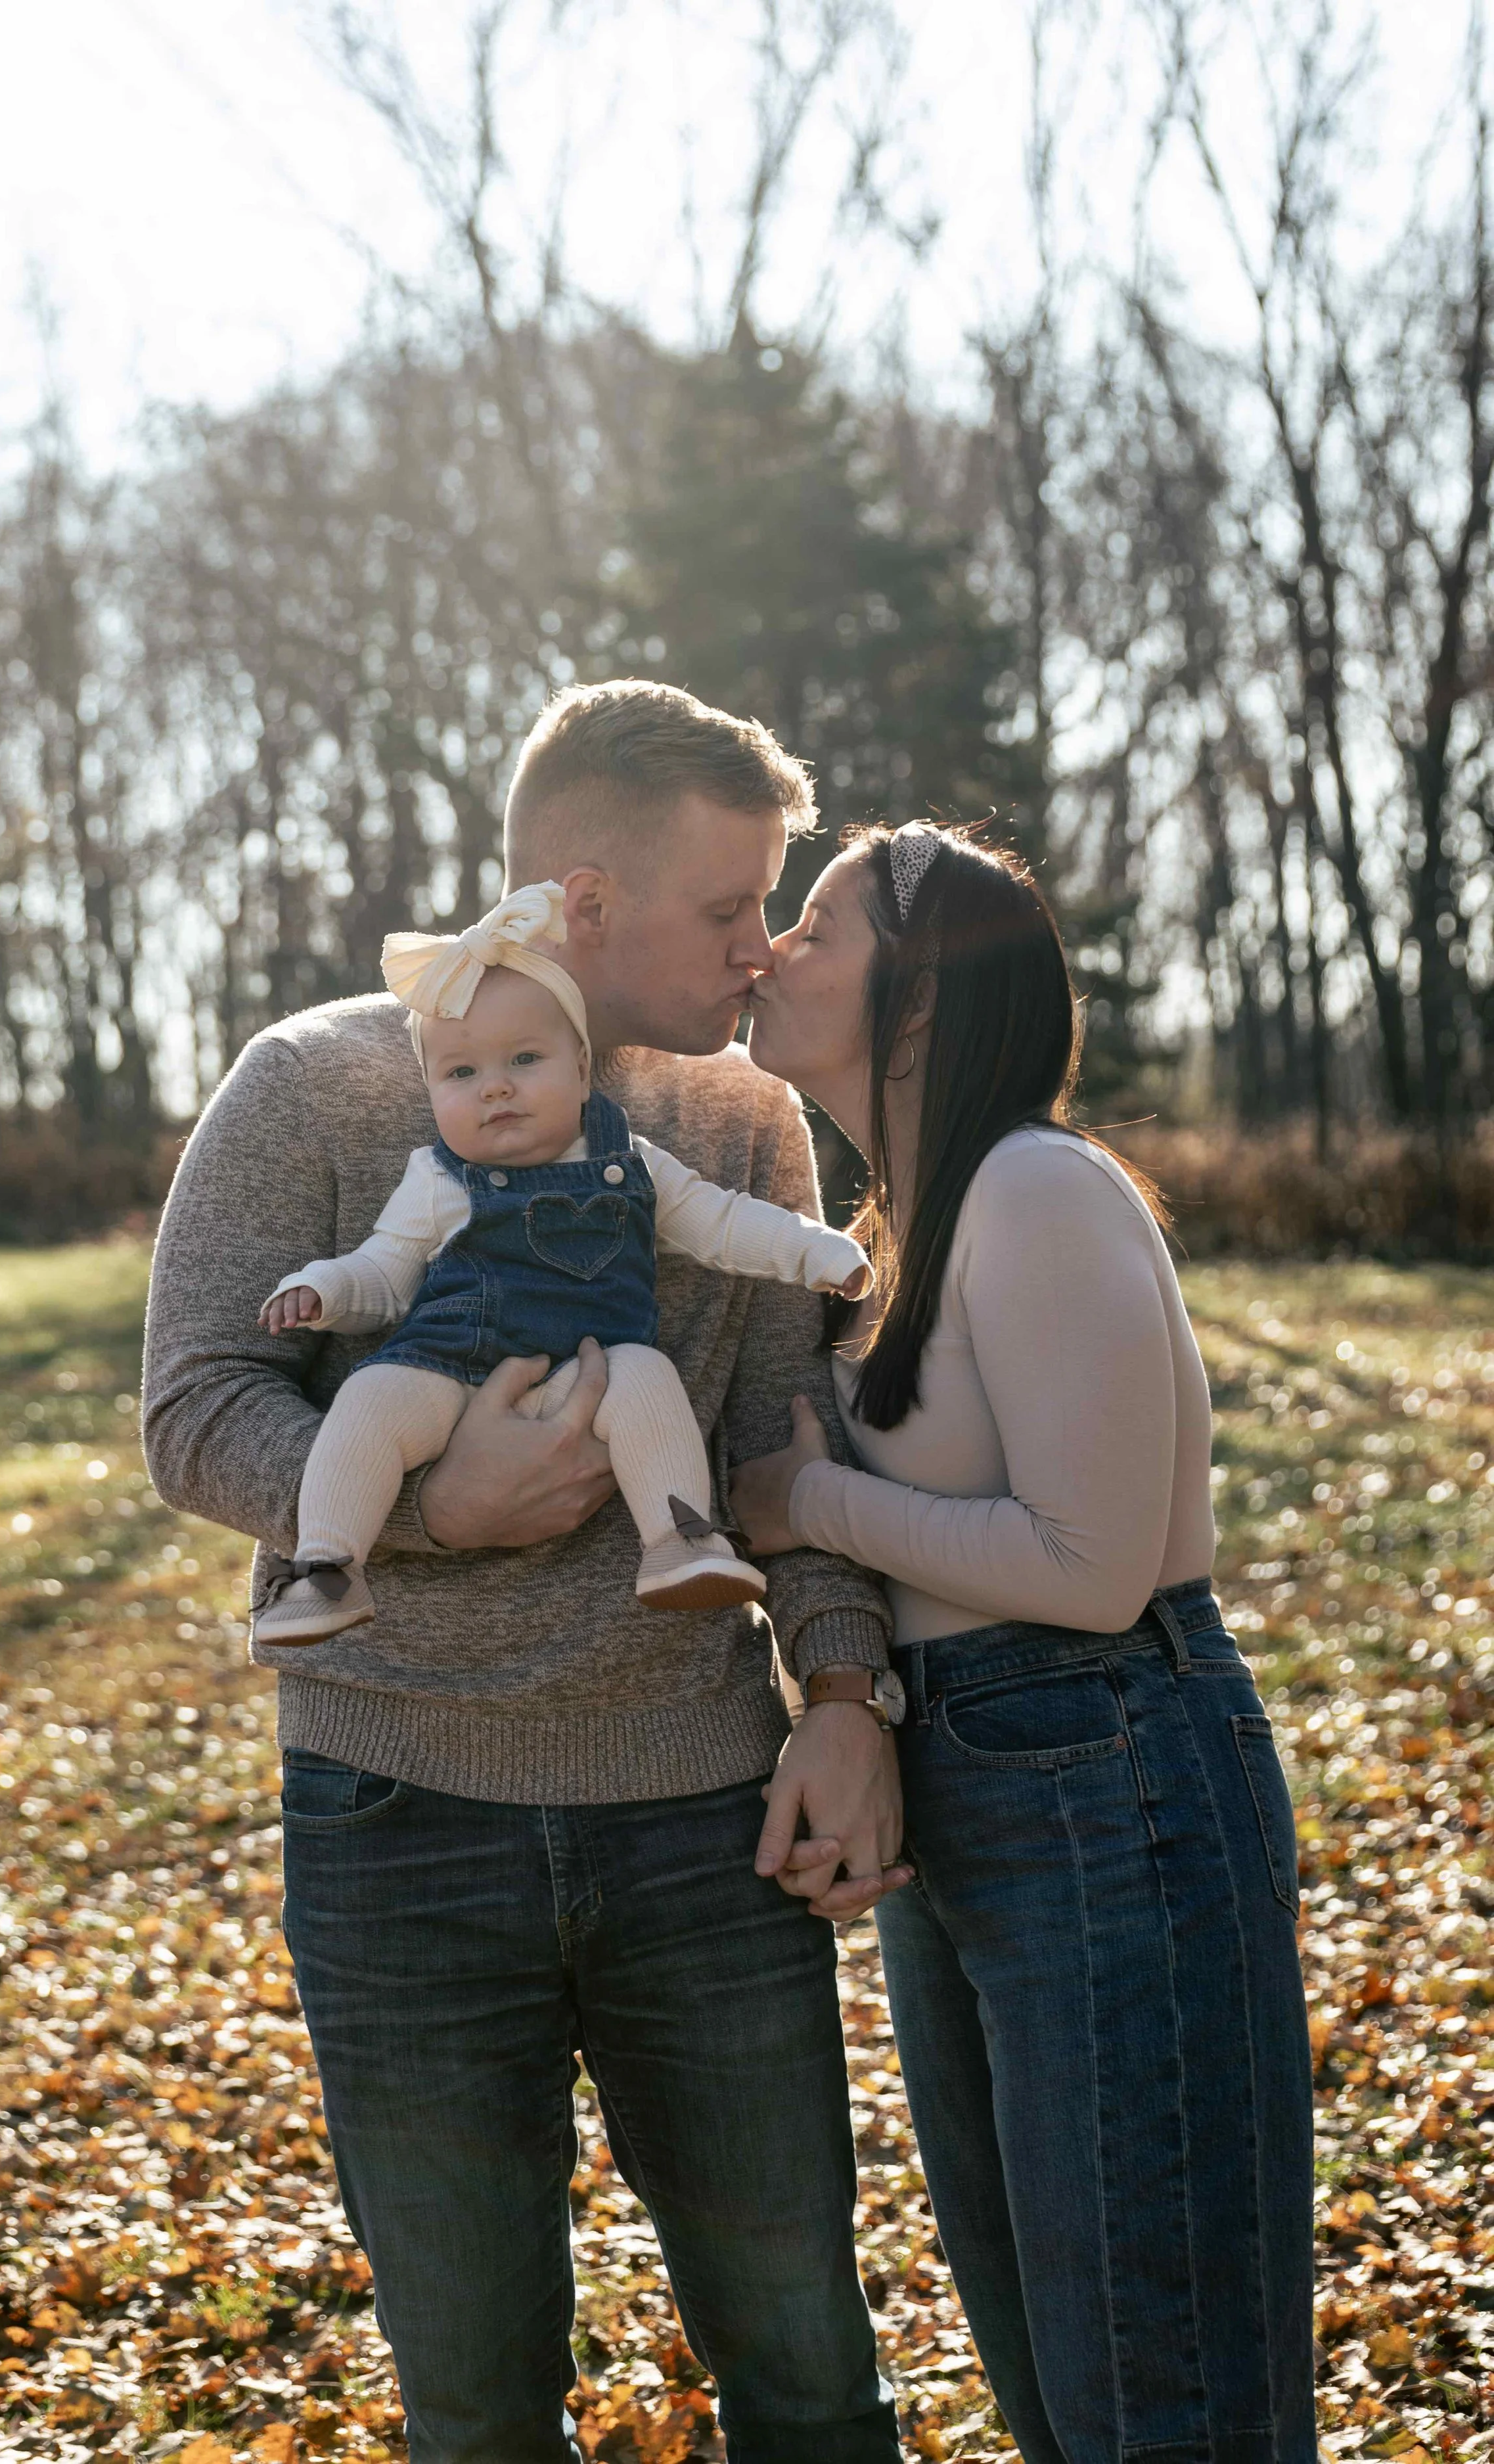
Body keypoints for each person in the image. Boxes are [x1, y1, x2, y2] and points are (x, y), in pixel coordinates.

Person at [141, 681, 907, 2464]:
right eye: (729, 905)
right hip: (393, 1821)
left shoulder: (743, 1123)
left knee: (809, 2380)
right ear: (587, 900)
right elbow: (193, 1405)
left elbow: (789, 1446)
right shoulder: (317, 1081)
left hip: (702, 1823)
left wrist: (844, 1690)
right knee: (479, 2407)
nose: (760, 944)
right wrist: (437, 1504)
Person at [733, 819, 1315, 2464]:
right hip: (975, 1785)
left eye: (818, 925)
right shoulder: (896, 1225)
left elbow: (1090, 1565)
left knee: (1161, 2388)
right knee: (1057, 2388)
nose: (771, 949)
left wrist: (807, 1500)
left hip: (1114, 1779)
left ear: (919, 999)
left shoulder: (1035, 1186)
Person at [248, 879, 871, 1644]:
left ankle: (680, 1540)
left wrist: (818, 1252)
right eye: (461, 1073)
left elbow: (723, 1222)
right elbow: (383, 1272)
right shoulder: (439, 1178)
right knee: (369, 1398)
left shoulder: (628, 1162)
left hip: (588, 1372)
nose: (496, 1087)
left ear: (579, 1068)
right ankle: (326, 1567)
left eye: (524, 1058)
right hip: (445, 1371)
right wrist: (323, 1288)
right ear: (431, 1091)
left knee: (648, 1377)